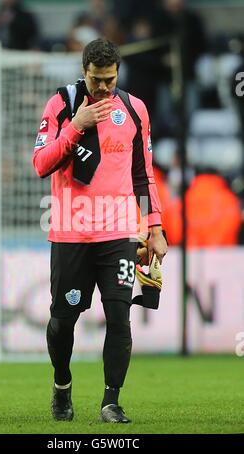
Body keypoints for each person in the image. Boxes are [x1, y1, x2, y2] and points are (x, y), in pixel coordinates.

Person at [32, 39, 167, 423]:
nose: (104, 88)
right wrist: (76, 128)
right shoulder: (61, 105)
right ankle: (62, 386)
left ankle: (111, 401)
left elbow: (143, 176)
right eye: (96, 80)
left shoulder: (135, 109)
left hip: (119, 232)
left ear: (118, 72)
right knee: (62, 321)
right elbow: (41, 163)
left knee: (119, 316)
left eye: (110, 79)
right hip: (72, 231)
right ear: (84, 71)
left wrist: (153, 225)